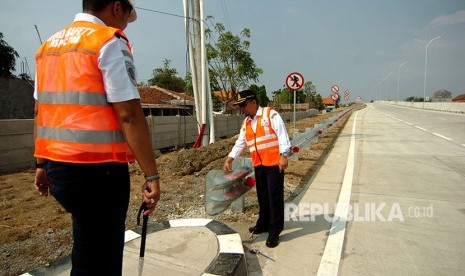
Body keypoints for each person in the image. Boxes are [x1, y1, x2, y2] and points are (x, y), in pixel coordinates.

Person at [33, 1, 160, 274]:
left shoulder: (48, 47)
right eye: (127, 16)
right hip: (98, 173)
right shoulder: (108, 41)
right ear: (117, 8)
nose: (126, 24)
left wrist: (41, 164)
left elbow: (41, 111)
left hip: (59, 170)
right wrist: (151, 175)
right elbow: (130, 115)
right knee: (104, 256)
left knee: (87, 244)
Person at [223, 90, 292, 248]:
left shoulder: (270, 115)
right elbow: (241, 142)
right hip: (259, 165)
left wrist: (284, 155)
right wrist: (230, 158)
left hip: (274, 164)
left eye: (244, 105)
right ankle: (263, 224)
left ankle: (275, 231)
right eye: (240, 106)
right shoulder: (246, 123)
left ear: (253, 102)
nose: (242, 109)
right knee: (262, 196)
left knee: (274, 197)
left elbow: (283, 136)